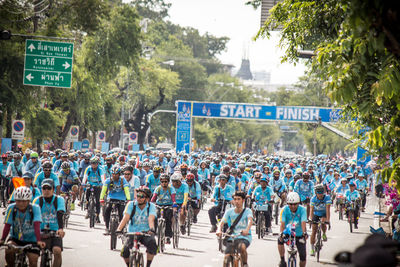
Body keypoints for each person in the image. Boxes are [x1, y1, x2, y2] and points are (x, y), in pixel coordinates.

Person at [0, 186, 45, 267]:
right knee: (8, 250)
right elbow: (7, 225)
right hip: (15, 238)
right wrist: (2, 239)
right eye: (19, 201)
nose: (21, 204)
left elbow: (37, 225)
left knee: (33, 260)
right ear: (15, 200)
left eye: (24, 201)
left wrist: (38, 240)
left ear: (29, 201)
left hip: (32, 240)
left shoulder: (35, 208)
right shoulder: (11, 208)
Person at [117, 186, 157, 267]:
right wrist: (119, 229)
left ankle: (148, 265)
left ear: (147, 199)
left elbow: (151, 219)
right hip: (132, 232)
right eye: (138, 195)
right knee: (125, 251)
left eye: (142, 196)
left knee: (152, 244)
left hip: (145, 233)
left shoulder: (151, 206)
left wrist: (152, 229)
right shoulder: (131, 204)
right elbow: (126, 218)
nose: (139, 198)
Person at [32, 179, 65, 267]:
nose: (46, 191)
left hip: (54, 231)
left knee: (57, 251)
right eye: (44, 188)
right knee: (31, 255)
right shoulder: (37, 200)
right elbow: (32, 215)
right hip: (39, 231)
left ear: (53, 189)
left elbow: (60, 214)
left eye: (49, 188)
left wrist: (60, 229)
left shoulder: (59, 199)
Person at [216, 191, 253, 267]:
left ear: (243, 200)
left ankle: (245, 264)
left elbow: (250, 220)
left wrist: (247, 230)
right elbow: (222, 222)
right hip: (231, 236)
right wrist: (219, 230)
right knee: (226, 257)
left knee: (242, 247)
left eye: (238, 199)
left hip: (244, 236)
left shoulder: (247, 211)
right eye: (235, 199)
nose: (236, 201)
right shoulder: (229, 212)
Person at [278, 192, 308, 267]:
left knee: (303, 257)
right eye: (291, 204)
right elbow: (282, 224)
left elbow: (303, 222)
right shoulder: (284, 210)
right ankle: (282, 260)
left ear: (298, 203)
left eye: (295, 204)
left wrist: (304, 232)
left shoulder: (303, 210)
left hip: (299, 234)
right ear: (288, 203)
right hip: (288, 233)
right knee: (279, 239)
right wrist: (281, 233)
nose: (293, 206)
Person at [100, 165, 130, 234]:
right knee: (107, 211)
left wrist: (128, 199)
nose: (114, 176)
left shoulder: (123, 180)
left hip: (121, 199)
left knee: (121, 213)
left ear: (119, 174)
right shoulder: (108, 180)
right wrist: (101, 199)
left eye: (116, 174)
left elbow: (126, 190)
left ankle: (121, 228)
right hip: (111, 198)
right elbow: (104, 190)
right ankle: (107, 227)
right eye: (113, 174)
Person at [151, 174, 177, 244]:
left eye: (165, 182)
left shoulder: (171, 189)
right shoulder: (158, 188)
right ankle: (154, 233)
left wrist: (174, 205)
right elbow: (154, 197)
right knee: (155, 217)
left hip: (168, 206)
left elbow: (173, 198)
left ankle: (168, 236)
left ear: (168, 182)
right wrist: (151, 204)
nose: (164, 183)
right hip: (159, 205)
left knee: (168, 218)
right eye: (162, 182)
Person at [309, 184, 331, 256]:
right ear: (315, 193)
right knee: (314, 231)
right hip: (316, 214)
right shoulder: (313, 198)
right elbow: (311, 210)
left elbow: (328, 209)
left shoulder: (327, 197)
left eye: (321, 192)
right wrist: (311, 219)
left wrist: (328, 220)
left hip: (324, 213)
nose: (320, 194)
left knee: (323, 223)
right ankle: (312, 248)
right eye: (318, 193)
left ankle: (324, 233)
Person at [82, 157, 105, 223]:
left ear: (97, 164)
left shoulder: (100, 169)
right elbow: (85, 176)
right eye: (92, 163)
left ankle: (97, 215)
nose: (93, 165)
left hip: (98, 185)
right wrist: (83, 183)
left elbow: (102, 177)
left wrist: (102, 184)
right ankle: (87, 209)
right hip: (90, 184)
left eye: (95, 163)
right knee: (87, 194)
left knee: (98, 201)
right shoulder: (88, 168)